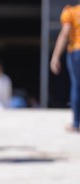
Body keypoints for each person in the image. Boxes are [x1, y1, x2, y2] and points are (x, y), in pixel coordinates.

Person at [50, 3, 80, 132]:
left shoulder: (71, 12)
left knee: (77, 86)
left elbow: (64, 34)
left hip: (76, 52)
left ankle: (76, 123)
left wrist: (55, 56)